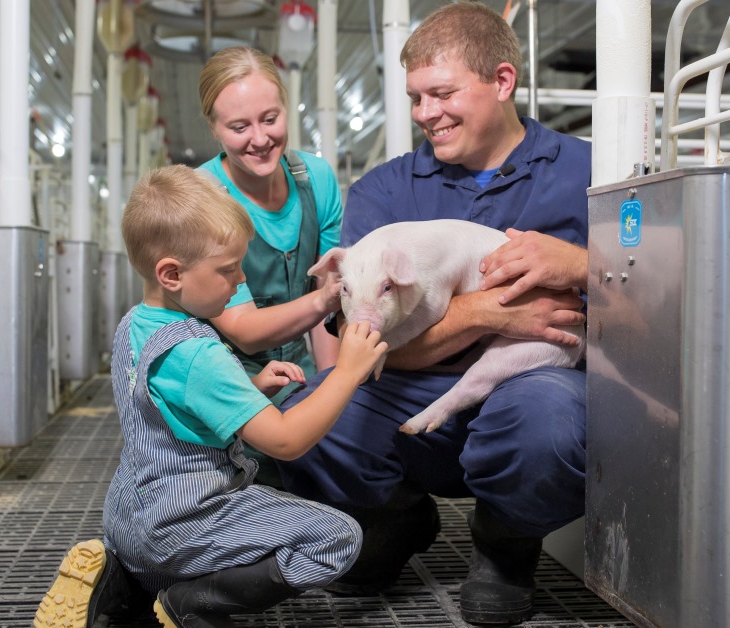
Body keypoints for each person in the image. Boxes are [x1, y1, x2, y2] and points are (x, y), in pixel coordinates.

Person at [275, 3, 590, 626]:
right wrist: (488, 312)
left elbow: (657, 294)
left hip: (533, 385)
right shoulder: (385, 192)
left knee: (553, 421)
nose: (425, 114)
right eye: (416, 97)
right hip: (408, 382)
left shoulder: (586, 172)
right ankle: (392, 518)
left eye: (442, 93)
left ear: (502, 82)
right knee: (299, 424)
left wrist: (580, 264)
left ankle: (505, 545)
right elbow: (365, 339)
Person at [33, 165, 388, 628]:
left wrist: (251, 387)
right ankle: (192, 601)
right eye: (228, 270)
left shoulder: (136, 324)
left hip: (128, 514)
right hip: (183, 519)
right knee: (337, 537)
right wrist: (348, 370)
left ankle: (124, 580)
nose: (240, 280)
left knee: (197, 537)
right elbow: (285, 441)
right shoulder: (199, 353)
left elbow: (165, 402)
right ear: (172, 273)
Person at [197, 46, 343, 401]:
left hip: (298, 372)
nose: (260, 139)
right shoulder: (202, 197)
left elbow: (326, 314)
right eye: (239, 126)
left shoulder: (316, 178)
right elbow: (243, 329)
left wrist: (330, 389)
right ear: (214, 129)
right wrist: (325, 299)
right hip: (226, 382)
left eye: (270, 118)